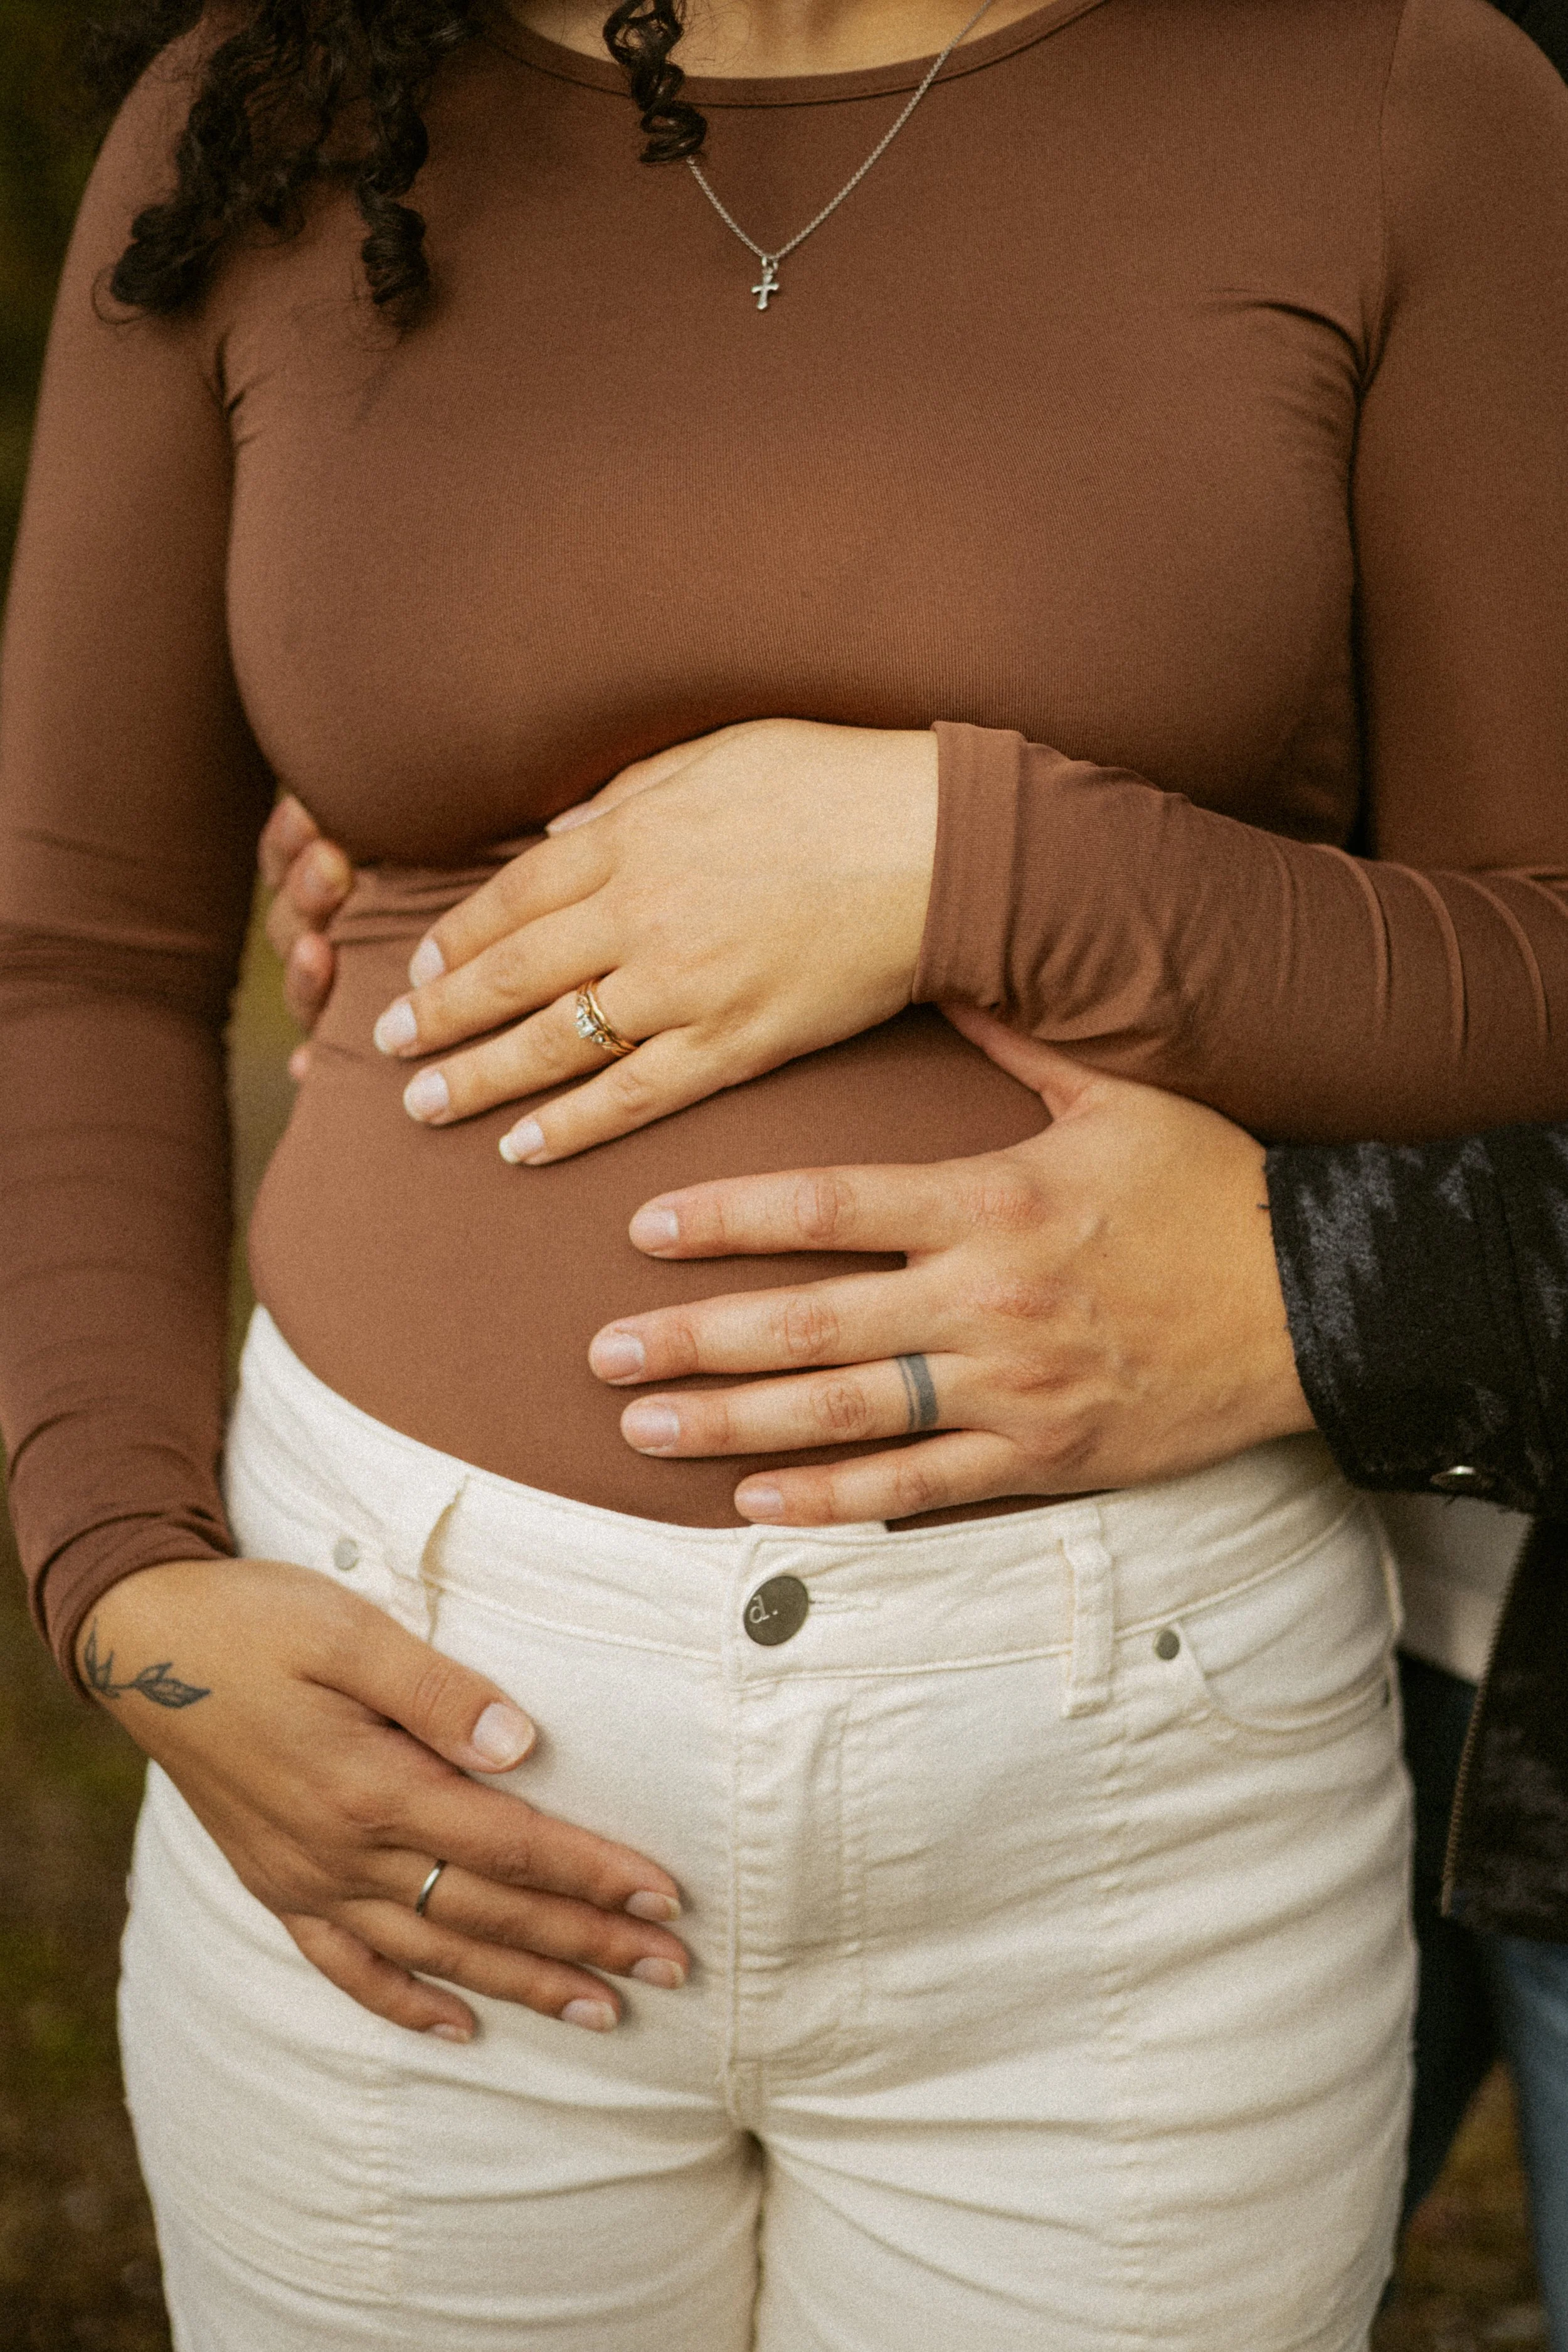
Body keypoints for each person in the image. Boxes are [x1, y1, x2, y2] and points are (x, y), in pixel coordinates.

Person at [3, 1, 1566, 2344]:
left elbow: (1532, 955)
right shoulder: (266, 124)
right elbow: (70, 959)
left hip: (1130, 1793)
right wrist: (124, 1583)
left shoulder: (1396, 99)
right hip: (398, 1767)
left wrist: (973, 860)